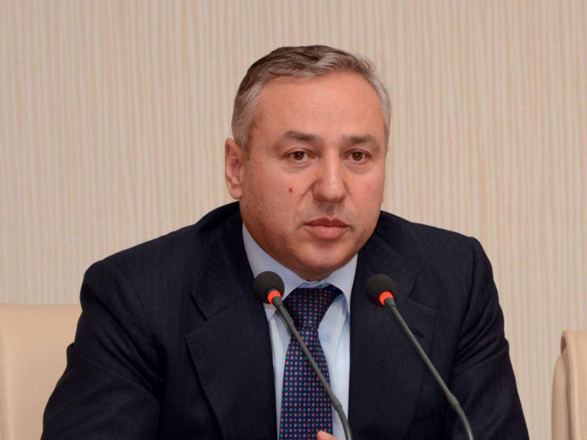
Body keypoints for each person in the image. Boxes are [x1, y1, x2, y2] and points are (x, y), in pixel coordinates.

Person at [42, 45, 529, 439]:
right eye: (299, 155)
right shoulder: (140, 295)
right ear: (236, 168)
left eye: (358, 156)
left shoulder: (454, 278)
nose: (332, 188)